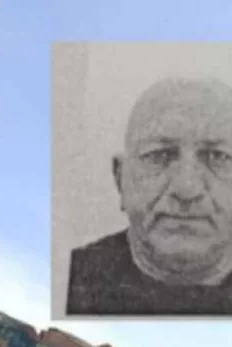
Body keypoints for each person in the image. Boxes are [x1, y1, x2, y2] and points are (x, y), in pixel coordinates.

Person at [66, 76, 232, 315]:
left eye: (218, 157)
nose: (187, 189)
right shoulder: (69, 279)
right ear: (120, 178)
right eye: (159, 156)